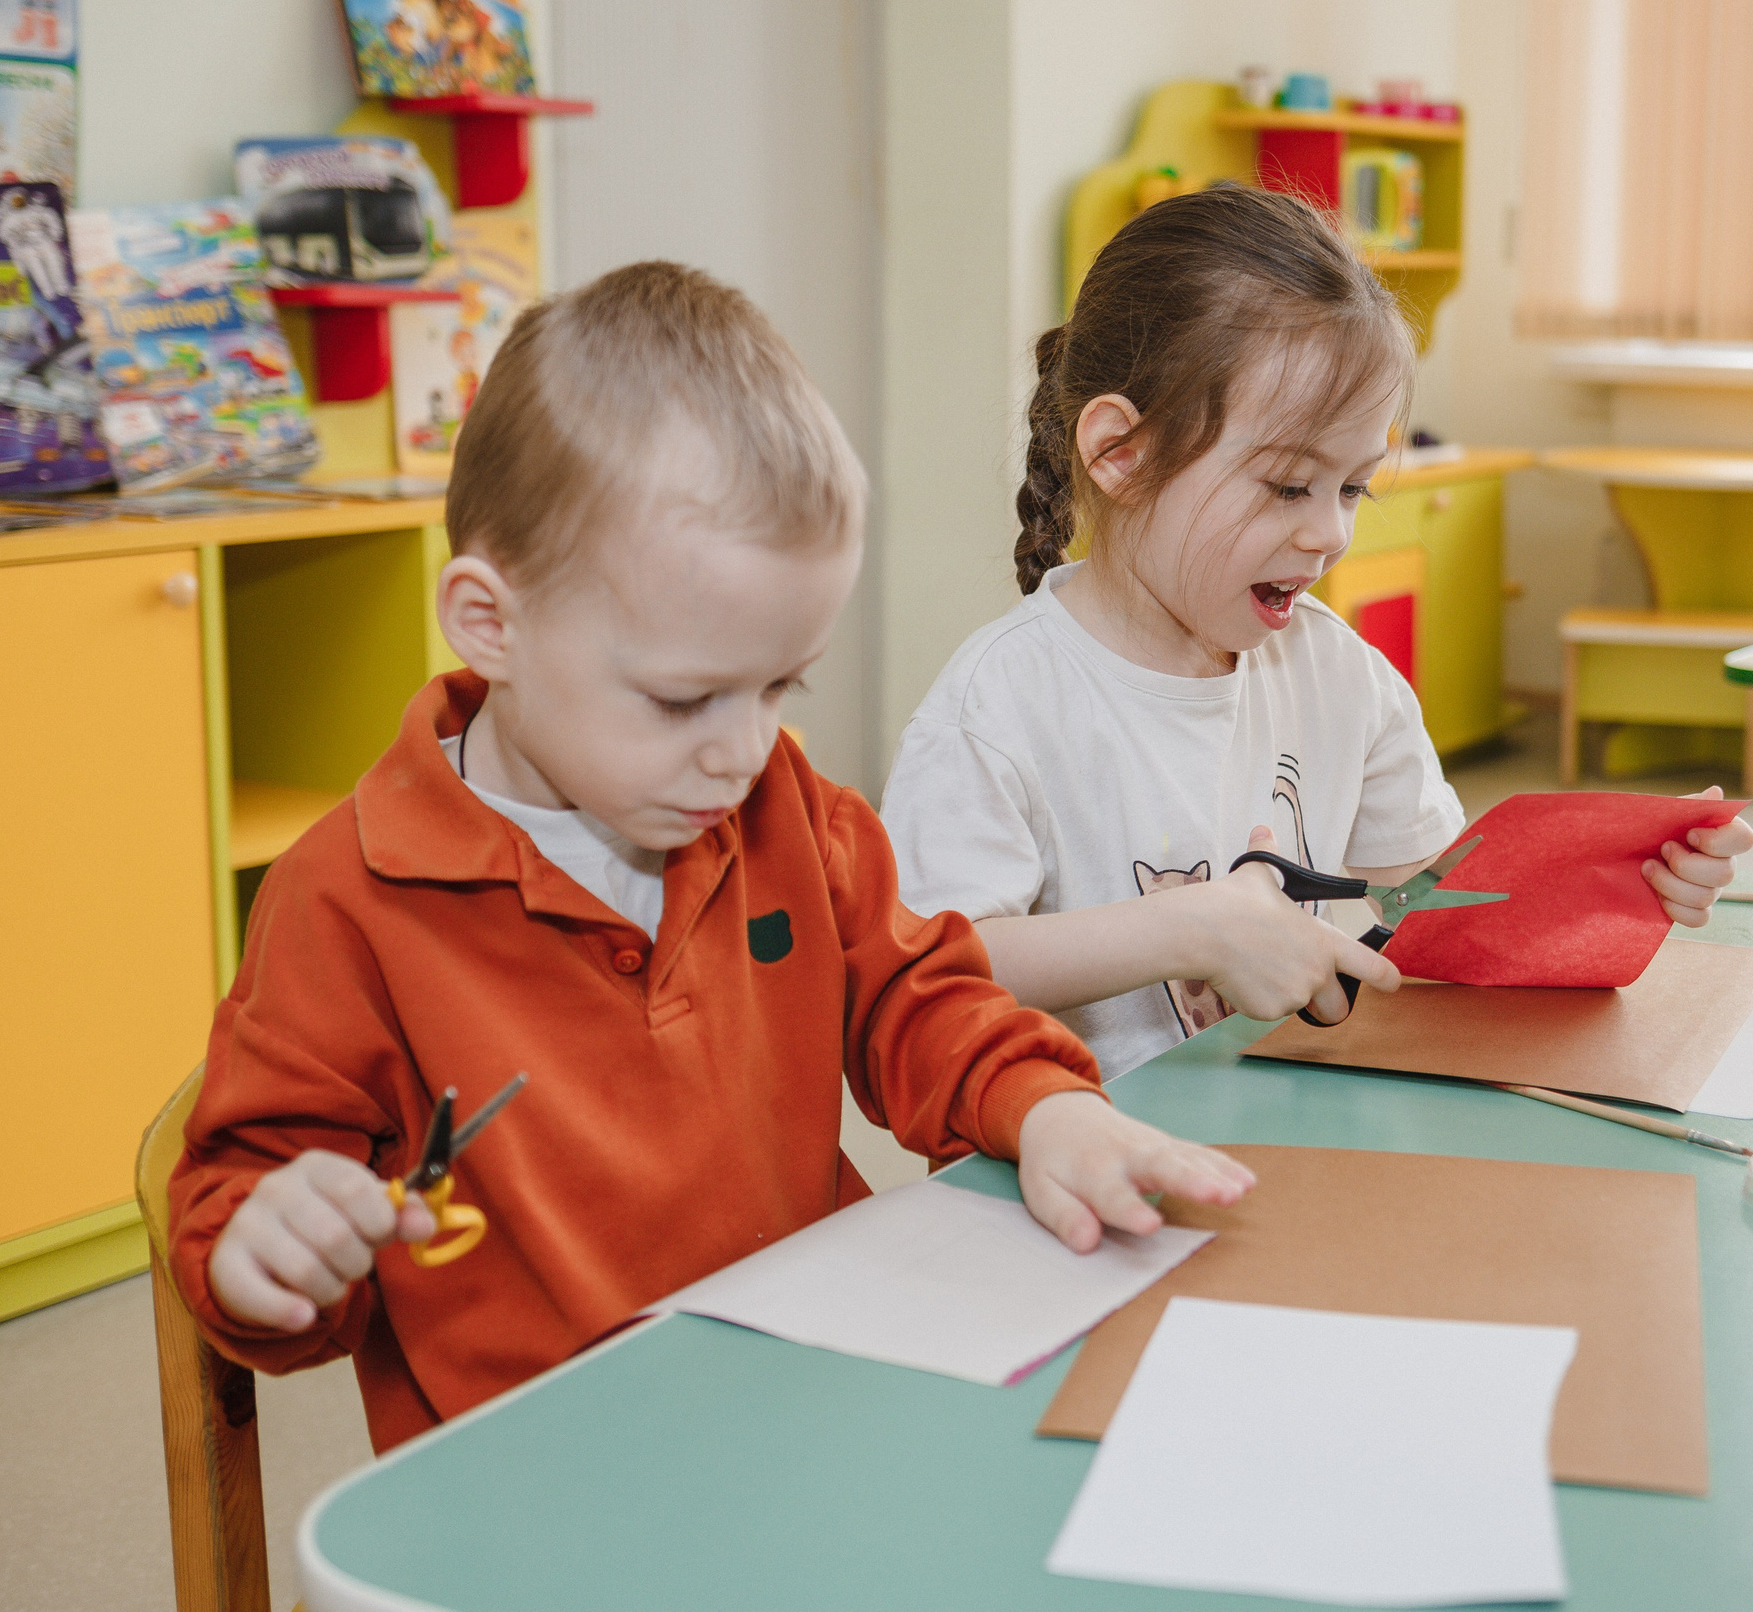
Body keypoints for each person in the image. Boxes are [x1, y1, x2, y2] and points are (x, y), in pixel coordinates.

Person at [167, 262, 1253, 1450]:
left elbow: (920, 994)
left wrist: (1044, 1109)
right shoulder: (347, 899)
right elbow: (238, 1205)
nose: (743, 750)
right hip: (536, 1470)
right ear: (492, 622)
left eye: (779, 685)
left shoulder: (783, 806)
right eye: (685, 700)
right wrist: (272, 1249)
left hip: (805, 1388)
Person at [882, 185, 1753, 1081]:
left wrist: (1612, 880)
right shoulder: (998, 707)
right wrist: (1190, 929)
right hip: (1072, 1184)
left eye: (1352, 488)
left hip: (1281, 1158)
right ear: (1120, 455)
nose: (1332, 534)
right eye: (1289, 486)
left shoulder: (1337, 672)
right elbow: (917, 973)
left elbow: (1438, 908)